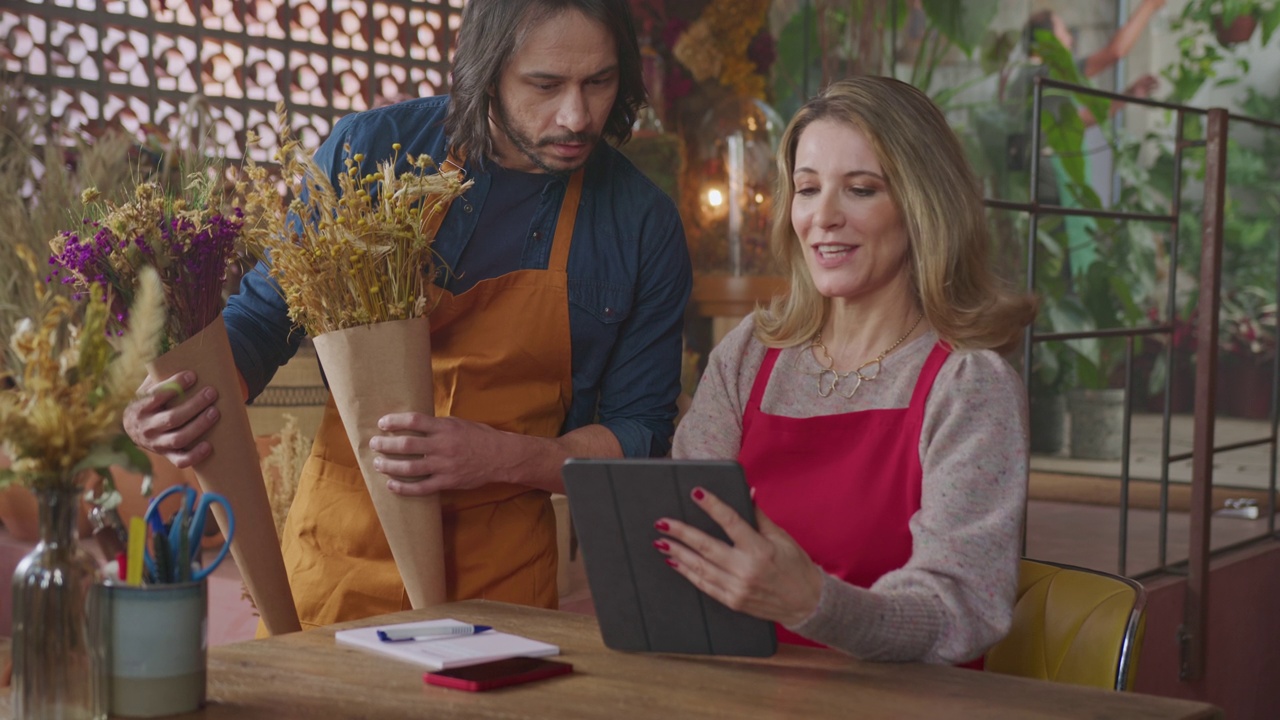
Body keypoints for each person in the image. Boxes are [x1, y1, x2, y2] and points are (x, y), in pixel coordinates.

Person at [123, 0, 692, 629]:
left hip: (501, 581)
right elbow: (262, 320)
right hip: (337, 556)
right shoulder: (370, 152)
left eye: (600, 82)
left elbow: (639, 433)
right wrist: (186, 396)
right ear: (485, 69)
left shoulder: (642, 225)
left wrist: (503, 457)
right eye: (546, 85)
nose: (576, 115)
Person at [658, 76, 1038, 665]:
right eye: (807, 190)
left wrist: (811, 601)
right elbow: (683, 533)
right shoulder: (751, 354)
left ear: (921, 207)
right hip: (733, 690)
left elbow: (959, 609)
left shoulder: (970, 385)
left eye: (860, 190)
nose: (824, 217)